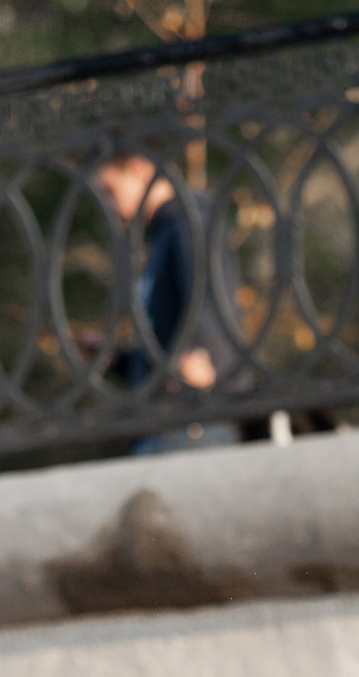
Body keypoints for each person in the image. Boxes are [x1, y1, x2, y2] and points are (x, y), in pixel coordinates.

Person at [89, 151, 225, 453]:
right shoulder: (163, 231)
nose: (108, 205)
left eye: (110, 191)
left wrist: (204, 353)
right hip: (168, 419)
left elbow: (209, 299)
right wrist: (119, 361)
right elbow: (166, 334)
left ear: (139, 169)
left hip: (190, 418)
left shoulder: (187, 220)